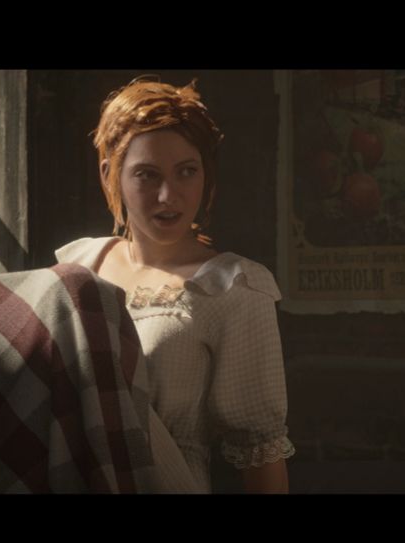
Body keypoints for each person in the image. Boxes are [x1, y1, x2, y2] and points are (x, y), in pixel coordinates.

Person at [54, 76, 294, 493]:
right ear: (111, 174)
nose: (169, 195)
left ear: (206, 174)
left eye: (186, 172)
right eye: (147, 175)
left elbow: (260, 450)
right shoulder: (79, 266)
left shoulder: (232, 288)